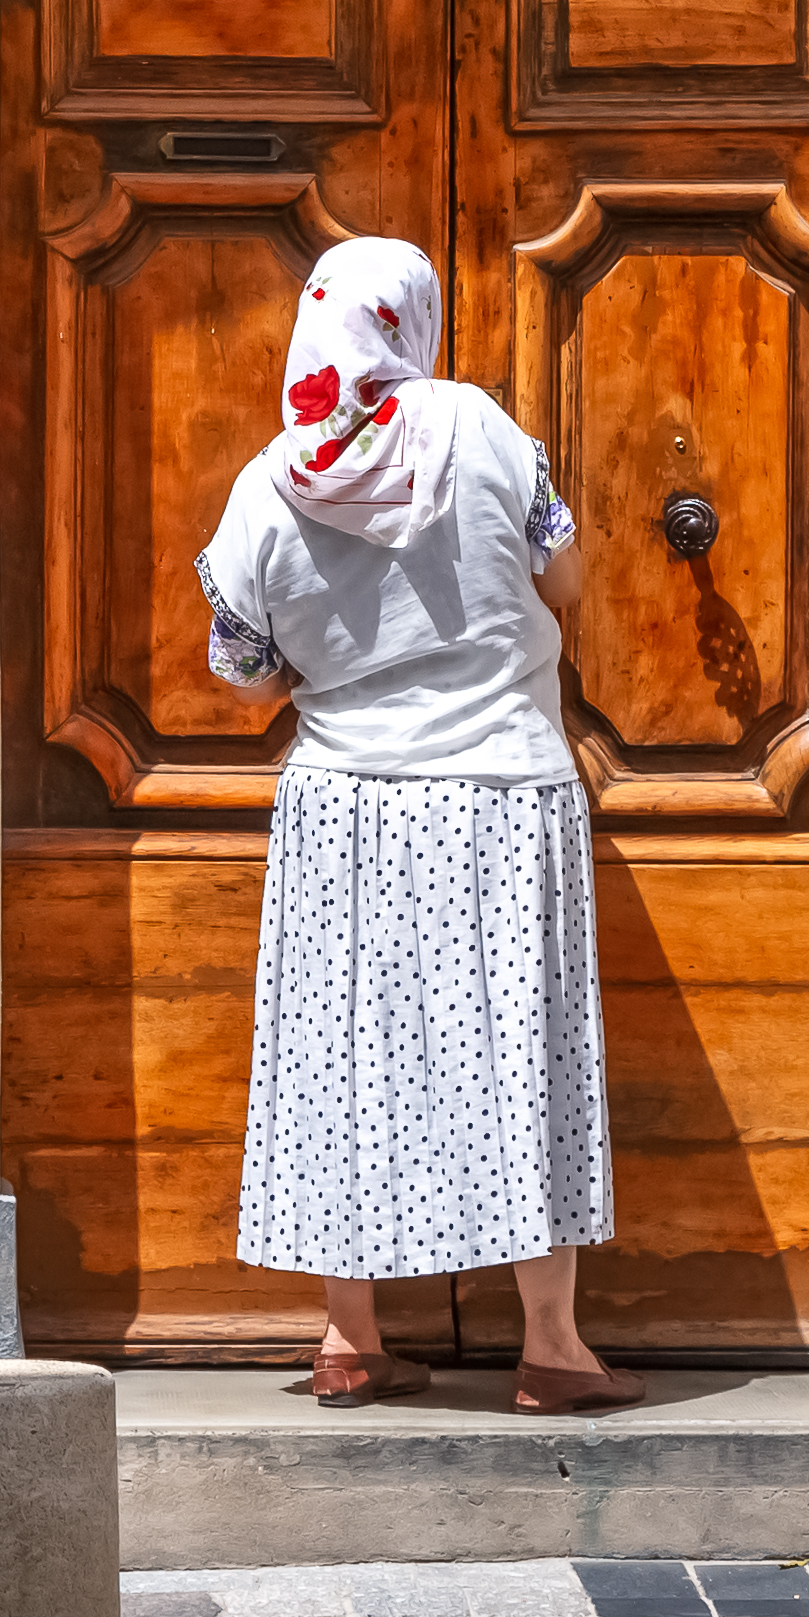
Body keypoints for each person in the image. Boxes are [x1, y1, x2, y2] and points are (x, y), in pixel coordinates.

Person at [192, 237, 636, 1416]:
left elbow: (236, 665)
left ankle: (350, 1340)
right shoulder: (481, 432)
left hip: (344, 808)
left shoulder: (265, 483)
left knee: (344, 1056)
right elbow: (569, 580)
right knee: (522, 1061)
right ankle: (550, 1346)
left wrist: (329, 660)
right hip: (499, 795)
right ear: (409, 322)